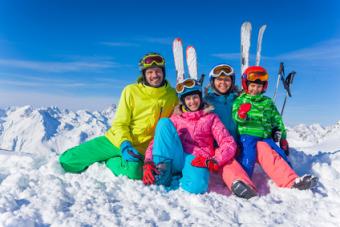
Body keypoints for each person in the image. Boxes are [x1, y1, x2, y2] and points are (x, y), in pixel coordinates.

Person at [59, 53, 178, 180]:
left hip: (142, 148)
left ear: (163, 72)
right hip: (117, 141)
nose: (154, 75)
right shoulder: (131, 91)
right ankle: (110, 154)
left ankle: (109, 161)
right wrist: (125, 144)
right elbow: (120, 123)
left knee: (135, 173)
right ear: (144, 74)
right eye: (150, 72)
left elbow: (179, 118)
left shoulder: (172, 95)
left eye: (158, 71)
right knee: (67, 161)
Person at [142, 78, 258, 198]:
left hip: (198, 158)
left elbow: (228, 142)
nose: (192, 101)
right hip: (177, 154)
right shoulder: (176, 118)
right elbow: (158, 140)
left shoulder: (211, 118)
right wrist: (148, 160)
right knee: (164, 123)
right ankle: (162, 172)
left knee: (197, 187)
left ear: (200, 97)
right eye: (188, 98)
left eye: (195, 97)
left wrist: (215, 160)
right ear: (183, 101)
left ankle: (179, 175)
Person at [232, 66, 317, 189]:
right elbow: (236, 117)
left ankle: (294, 179)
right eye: (252, 86)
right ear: (246, 85)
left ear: (264, 87)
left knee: (280, 154)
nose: (255, 89)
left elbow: (277, 120)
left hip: (265, 136)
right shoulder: (240, 100)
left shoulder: (267, 102)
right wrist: (241, 114)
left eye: (259, 86)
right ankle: (244, 181)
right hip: (247, 135)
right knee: (248, 156)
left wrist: (282, 137)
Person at [204, 64, 239, 142]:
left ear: (232, 82)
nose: (223, 82)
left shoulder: (238, 100)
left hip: (237, 145)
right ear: (213, 82)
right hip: (216, 148)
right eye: (219, 79)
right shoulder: (206, 101)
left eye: (227, 79)